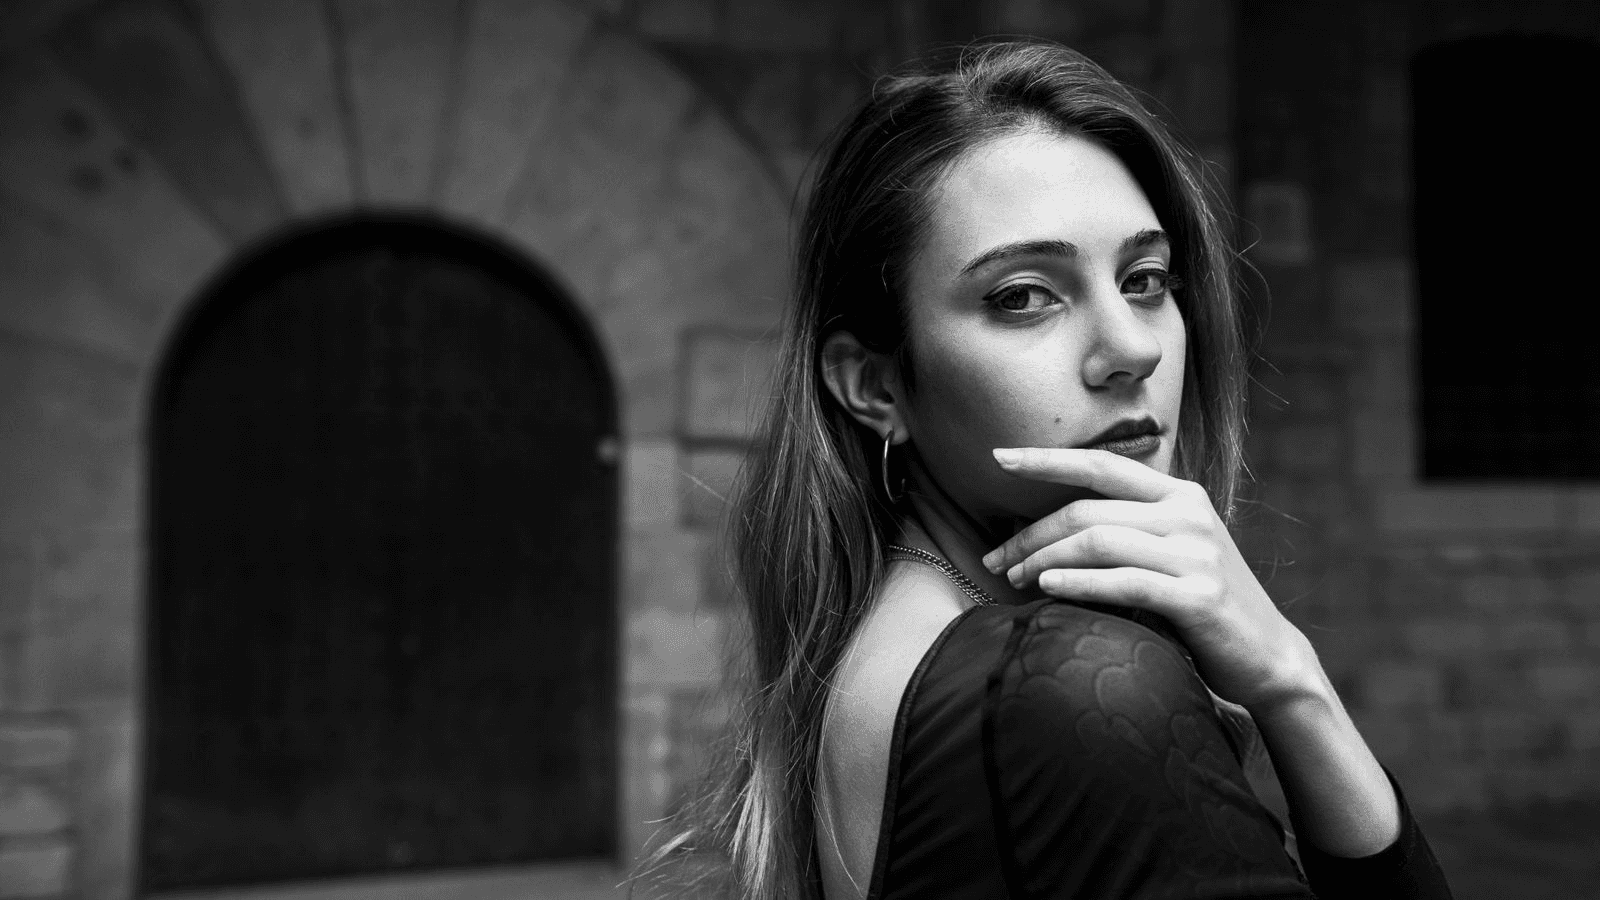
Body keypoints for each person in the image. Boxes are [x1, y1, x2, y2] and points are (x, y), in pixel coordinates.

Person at [637, 40, 1454, 900]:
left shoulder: (896, 653)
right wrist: (1291, 680)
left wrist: (1289, 678)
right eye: (1024, 295)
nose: (1131, 349)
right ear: (876, 384)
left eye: (1145, 279)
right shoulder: (1072, 687)